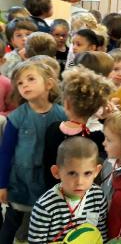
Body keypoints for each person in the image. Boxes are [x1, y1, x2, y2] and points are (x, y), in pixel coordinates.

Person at [0, 61, 66, 243]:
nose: (25, 85)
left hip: (50, 182)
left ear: (49, 84)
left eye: (30, 79)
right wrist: (2, 185)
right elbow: (5, 153)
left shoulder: (62, 115)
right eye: (20, 83)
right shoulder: (16, 117)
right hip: (20, 181)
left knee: (45, 222)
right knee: (12, 221)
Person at [43, 66, 113, 188]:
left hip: (54, 192)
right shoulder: (94, 137)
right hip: (81, 193)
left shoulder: (53, 129)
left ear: (67, 104)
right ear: (95, 108)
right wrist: (105, 119)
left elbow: (46, 163)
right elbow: (111, 135)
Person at [28, 137, 107, 243]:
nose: (80, 182)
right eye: (72, 173)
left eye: (87, 173)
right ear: (56, 172)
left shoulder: (98, 197)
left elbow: (101, 234)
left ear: (96, 171)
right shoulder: (45, 206)